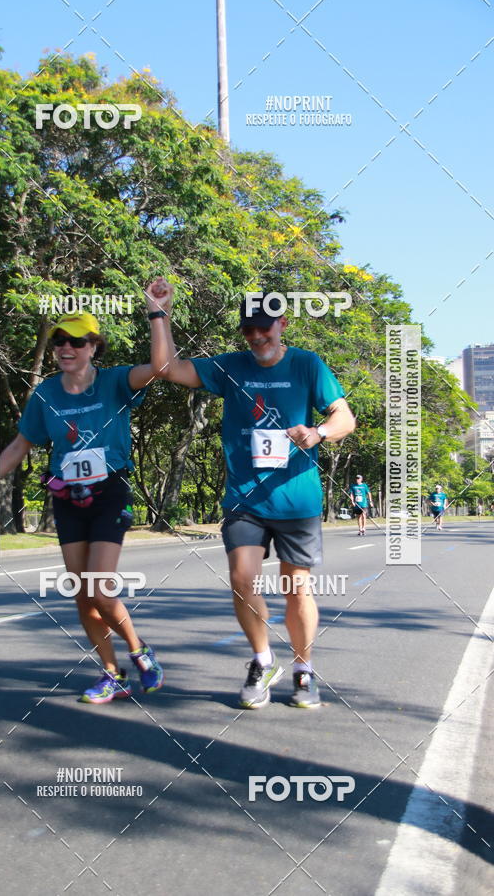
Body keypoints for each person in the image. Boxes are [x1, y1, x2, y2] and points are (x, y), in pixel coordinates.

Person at [0, 281, 170, 704]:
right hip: (67, 496)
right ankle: (112, 673)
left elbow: (162, 367)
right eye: (58, 341)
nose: (65, 348)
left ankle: (140, 650)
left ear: (94, 347)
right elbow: (19, 448)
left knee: (100, 586)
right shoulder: (45, 394)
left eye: (76, 341)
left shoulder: (115, 383)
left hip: (110, 490)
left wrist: (156, 312)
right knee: (82, 591)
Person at [149, 290, 356, 709]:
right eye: (249, 329)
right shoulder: (231, 366)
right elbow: (167, 368)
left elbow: (345, 417)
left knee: (296, 588)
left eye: (265, 326)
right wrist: (159, 314)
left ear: (282, 325)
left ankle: (303, 669)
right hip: (244, 497)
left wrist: (318, 433)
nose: (257, 335)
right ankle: (262, 661)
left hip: (296, 498)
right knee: (243, 579)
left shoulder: (307, 364)